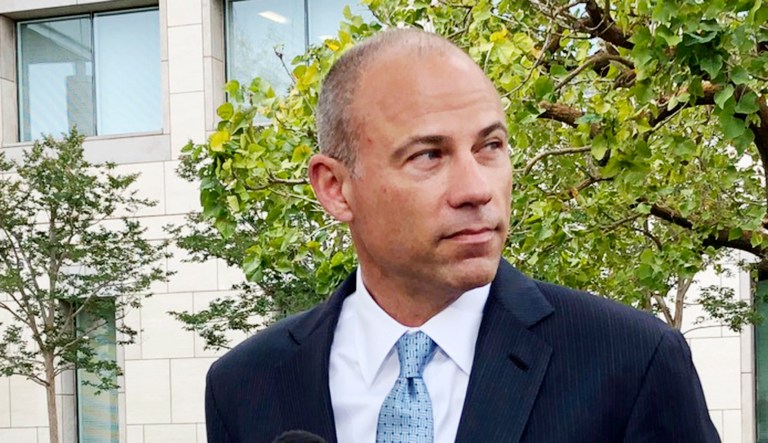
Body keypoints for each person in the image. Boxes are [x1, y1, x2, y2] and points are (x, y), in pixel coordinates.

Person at [205, 28, 720, 443]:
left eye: (490, 146)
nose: (476, 188)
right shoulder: (247, 386)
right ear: (336, 188)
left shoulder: (631, 362)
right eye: (428, 154)